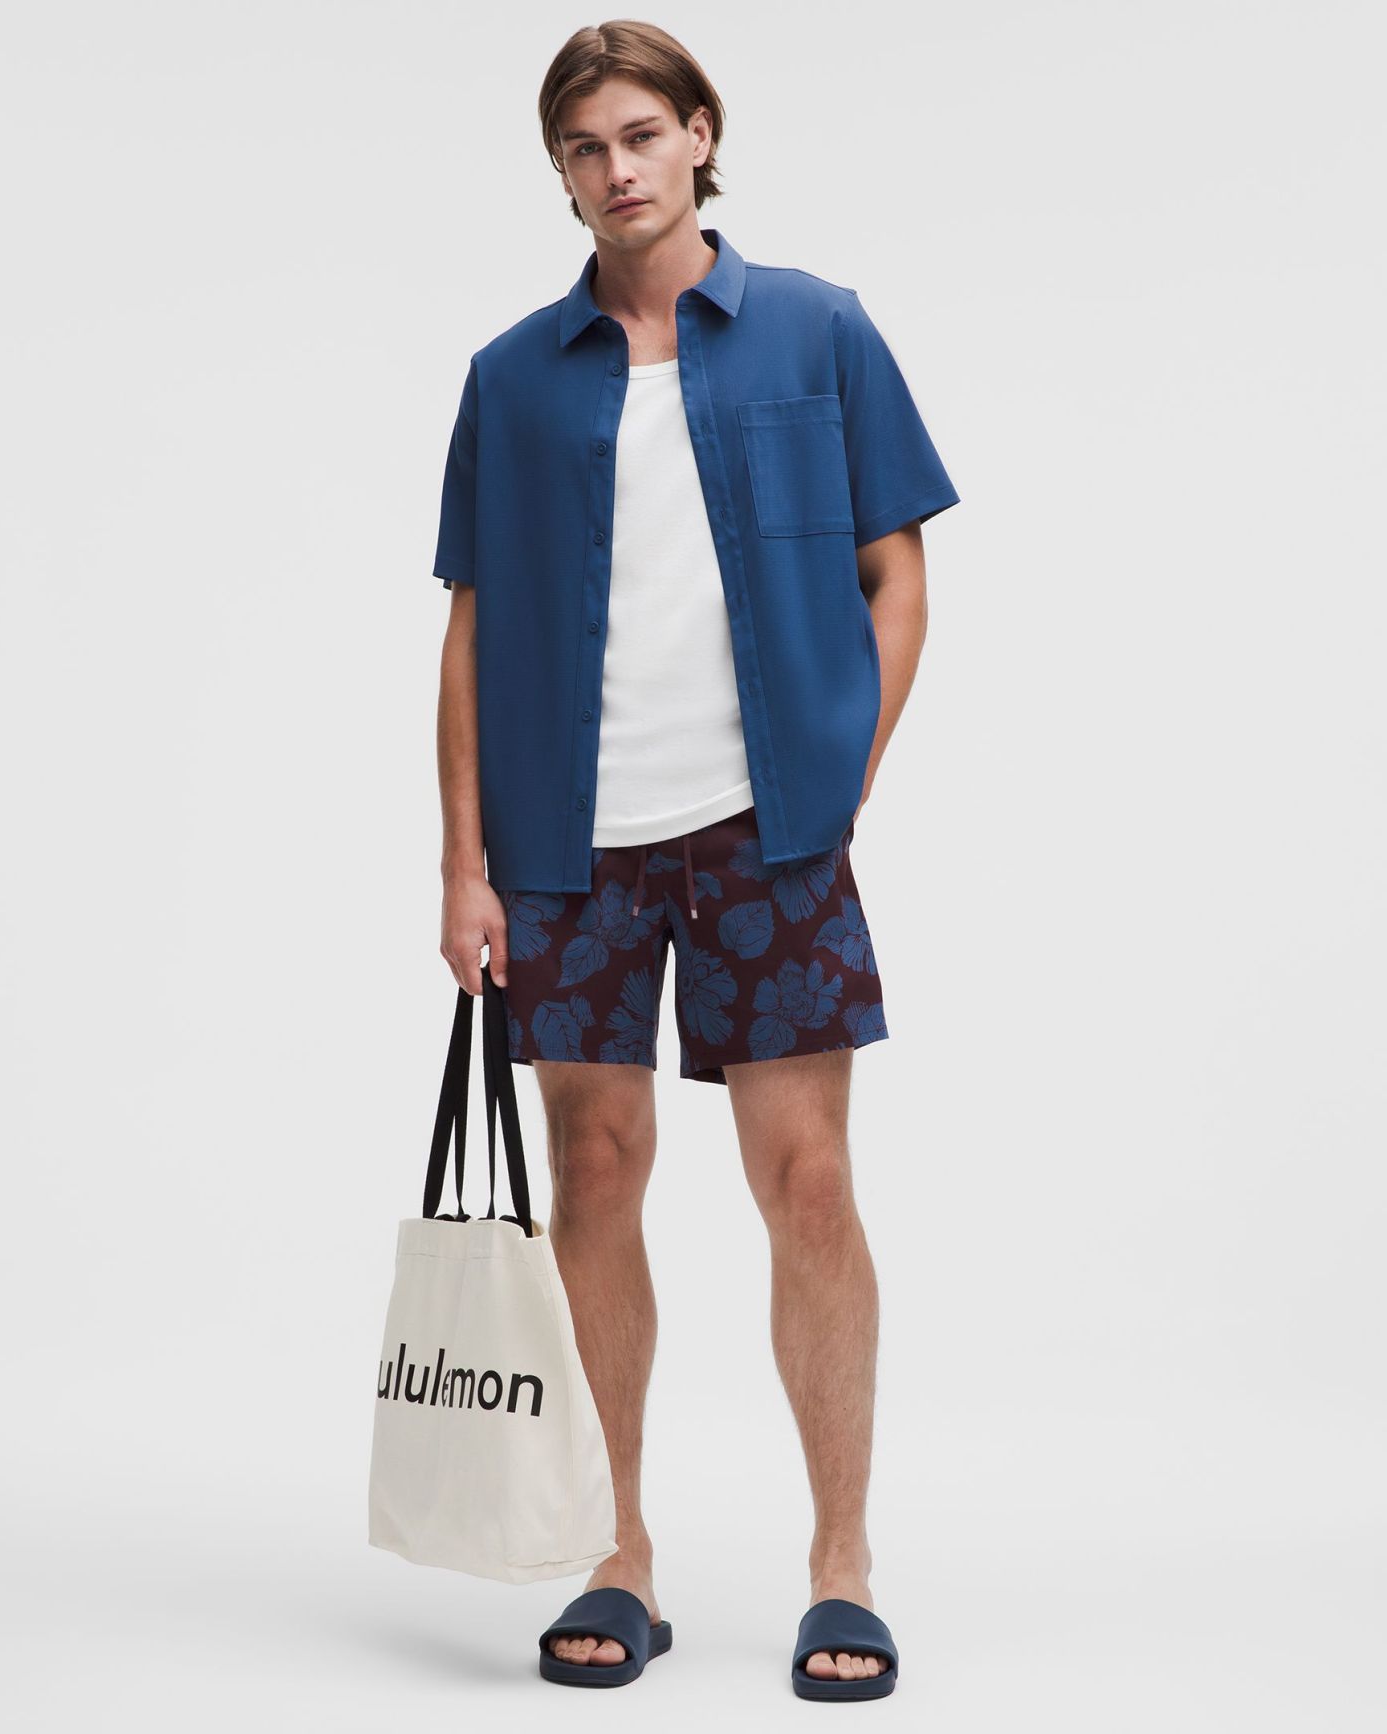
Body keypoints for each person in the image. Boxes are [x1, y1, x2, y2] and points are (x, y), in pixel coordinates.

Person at [433, 20, 958, 1702]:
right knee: (593, 1174)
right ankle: (621, 1549)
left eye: (641, 134)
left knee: (807, 1184)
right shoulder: (511, 377)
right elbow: (471, 629)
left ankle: (839, 1562)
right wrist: (463, 865)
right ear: (560, 171)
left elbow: (896, 574)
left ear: (701, 134)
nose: (617, 170)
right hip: (566, 844)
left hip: (767, 833)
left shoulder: (817, 328)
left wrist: (837, 776)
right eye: (584, 147)